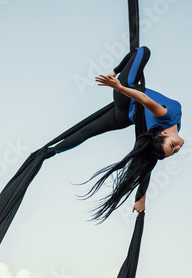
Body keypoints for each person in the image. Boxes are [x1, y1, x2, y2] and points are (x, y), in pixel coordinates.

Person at [46, 46, 184, 221]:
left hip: (125, 96)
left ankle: (49, 152)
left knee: (143, 51)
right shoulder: (165, 126)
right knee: (88, 131)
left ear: (163, 133)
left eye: (173, 147)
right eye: (175, 148)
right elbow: (148, 164)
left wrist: (119, 86)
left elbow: (144, 99)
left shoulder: (167, 117)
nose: (178, 147)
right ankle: (50, 152)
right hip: (127, 115)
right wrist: (141, 198)